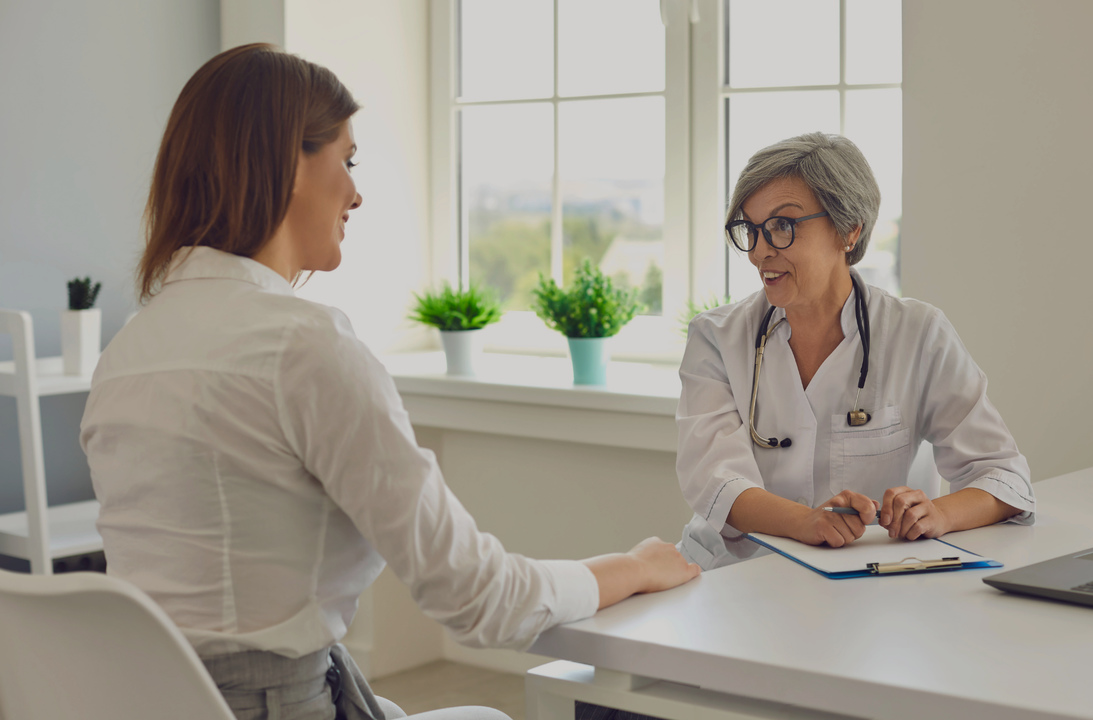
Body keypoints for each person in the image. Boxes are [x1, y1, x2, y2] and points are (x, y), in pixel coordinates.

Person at [79, 44, 699, 720]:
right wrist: (631, 567)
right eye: (344, 161)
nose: (356, 191)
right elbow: (478, 599)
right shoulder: (304, 346)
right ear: (288, 161)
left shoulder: (130, 349)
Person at [676, 132, 1035, 571]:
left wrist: (938, 513)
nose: (760, 251)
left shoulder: (917, 334)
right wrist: (805, 522)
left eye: (782, 226)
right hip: (731, 576)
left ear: (849, 229)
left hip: (866, 589)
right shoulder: (715, 337)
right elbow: (714, 481)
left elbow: (1003, 476)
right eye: (749, 229)